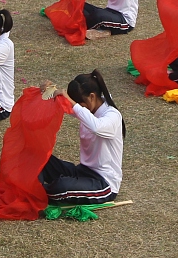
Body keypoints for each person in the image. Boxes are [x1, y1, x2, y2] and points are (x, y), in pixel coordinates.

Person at [39, 71, 124, 205]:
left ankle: (36, 191)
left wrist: (73, 104)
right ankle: (32, 185)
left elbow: (96, 127)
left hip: (103, 183)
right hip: (82, 172)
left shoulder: (112, 116)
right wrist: (48, 92)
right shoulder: (89, 109)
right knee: (40, 158)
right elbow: (64, 105)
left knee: (61, 186)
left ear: (92, 97)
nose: (77, 108)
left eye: (79, 104)